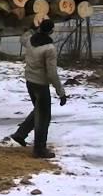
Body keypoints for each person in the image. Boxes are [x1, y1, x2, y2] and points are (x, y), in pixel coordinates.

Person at [10, 18, 67, 158]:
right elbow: (52, 73)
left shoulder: (30, 40)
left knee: (39, 111)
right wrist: (61, 92)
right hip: (41, 85)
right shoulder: (49, 49)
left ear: (40, 28)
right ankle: (39, 149)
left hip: (30, 82)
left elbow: (22, 38)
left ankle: (20, 134)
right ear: (52, 31)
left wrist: (30, 28)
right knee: (44, 117)